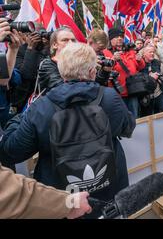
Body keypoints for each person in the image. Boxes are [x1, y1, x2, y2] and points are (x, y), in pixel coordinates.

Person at [0, 43, 136, 217]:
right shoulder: (109, 98)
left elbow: (11, 151)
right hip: (108, 195)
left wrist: (20, 117)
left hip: (64, 201)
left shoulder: (41, 107)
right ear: (93, 72)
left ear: (61, 72)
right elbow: (128, 128)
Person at [0, 163, 91, 219]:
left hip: (53, 192)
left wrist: (69, 203)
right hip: (56, 198)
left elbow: (11, 151)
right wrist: (68, 203)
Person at [103, 28, 145, 117]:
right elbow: (104, 71)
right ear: (110, 39)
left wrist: (140, 60)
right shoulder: (105, 53)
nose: (119, 38)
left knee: (134, 118)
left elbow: (140, 67)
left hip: (132, 91)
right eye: (116, 37)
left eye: (121, 36)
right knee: (120, 118)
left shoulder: (130, 51)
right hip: (117, 93)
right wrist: (113, 59)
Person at [38, 27, 77, 94]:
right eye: (65, 40)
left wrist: (101, 72)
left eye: (73, 40)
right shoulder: (47, 65)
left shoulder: (78, 63)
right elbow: (62, 89)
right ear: (54, 45)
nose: (71, 43)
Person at [139, 46, 163, 116]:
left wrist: (161, 79)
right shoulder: (139, 64)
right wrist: (150, 77)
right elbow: (137, 78)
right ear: (144, 54)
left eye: (153, 52)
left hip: (159, 93)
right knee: (147, 117)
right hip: (146, 95)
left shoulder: (158, 63)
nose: (152, 53)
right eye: (150, 52)